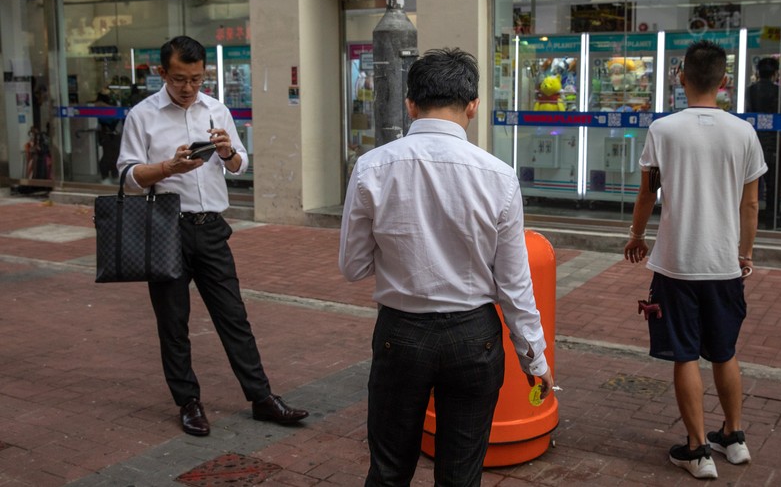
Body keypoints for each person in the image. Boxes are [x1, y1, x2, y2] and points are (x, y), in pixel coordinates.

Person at [339, 48, 555, 486]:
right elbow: (514, 284)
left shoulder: (372, 167)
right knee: (461, 474)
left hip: (401, 333)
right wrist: (534, 357)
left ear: (410, 105)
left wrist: (401, 248)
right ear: (473, 106)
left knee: (388, 470)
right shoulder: (499, 175)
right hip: (474, 337)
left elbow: (353, 266)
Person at [117, 36, 308, 437]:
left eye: (196, 79)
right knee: (174, 323)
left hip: (211, 229)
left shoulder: (217, 109)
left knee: (233, 317)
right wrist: (168, 168)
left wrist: (226, 153)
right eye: (179, 79)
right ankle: (188, 402)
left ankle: (261, 397)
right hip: (165, 229)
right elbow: (127, 177)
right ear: (162, 73)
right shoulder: (142, 115)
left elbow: (239, 165)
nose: (188, 87)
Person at [624, 40, 766, 480]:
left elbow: (648, 192)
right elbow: (750, 204)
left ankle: (698, 449)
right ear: (724, 81)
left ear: (681, 77)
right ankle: (734, 438)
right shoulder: (743, 132)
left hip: (677, 262)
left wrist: (637, 235)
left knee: (685, 354)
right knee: (724, 351)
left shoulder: (663, 130)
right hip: (724, 264)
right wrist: (745, 253)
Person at [745, 57, 781, 230]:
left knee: (750, 183)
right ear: (775, 73)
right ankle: (773, 219)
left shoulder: (751, 90)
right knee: (773, 185)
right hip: (773, 142)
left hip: (754, 140)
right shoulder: (778, 91)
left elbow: (748, 112)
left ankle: (748, 218)